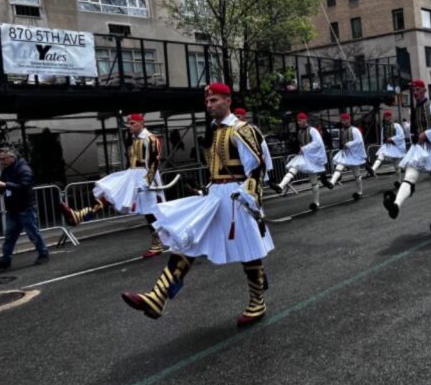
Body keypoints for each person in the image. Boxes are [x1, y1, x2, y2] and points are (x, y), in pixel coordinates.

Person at [121, 82, 274, 325]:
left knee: (249, 251)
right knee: (188, 238)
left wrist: (250, 197)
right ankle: (157, 296)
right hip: (215, 195)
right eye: (207, 101)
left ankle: (258, 301)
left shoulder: (242, 129)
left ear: (227, 101)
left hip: (237, 196)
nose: (209, 105)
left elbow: (256, 167)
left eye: (214, 100)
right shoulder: (213, 131)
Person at [61, 113, 165, 259]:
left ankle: (159, 243)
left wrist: (147, 182)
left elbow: (154, 162)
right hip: (132, 176)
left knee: (151, 213)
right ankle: (80, 215)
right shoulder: (134, 140)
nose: (129, 126)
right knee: (110, 193)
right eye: (129, 124)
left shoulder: (151, 139)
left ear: (142, 123)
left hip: (145, 178)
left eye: (133, 123)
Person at [382, 79, 431, 234]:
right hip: (419, 149)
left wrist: (426, 134)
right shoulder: (414, 110)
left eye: (417, 90)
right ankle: (396, 205)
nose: (415, 93)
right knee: (409, 177)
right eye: (413, 90)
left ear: (424, 90)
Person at [0, 148, 49, 269]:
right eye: (0, 159)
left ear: (12, 157)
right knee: (9, 235)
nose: (1, 162)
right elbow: (3, 189)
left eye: (3, 159)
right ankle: (6, 259)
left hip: (26, 207)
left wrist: (5, 185)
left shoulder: (24, 169)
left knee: (33, 233)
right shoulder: (7, 170)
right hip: (13, 209)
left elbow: (24, 186)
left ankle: (43, 254)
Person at [270, 112, 333, 210]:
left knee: (314, 182)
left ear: (305, 120)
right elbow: (300, 144)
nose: (298, 122)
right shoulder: (299, 132)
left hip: (312, 158)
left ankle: (316, 203)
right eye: (298, 120)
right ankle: (280, 186)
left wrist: (304, 148)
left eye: (300, 120)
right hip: (304, 157)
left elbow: (318, 143)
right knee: (293, 168)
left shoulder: (312, 130)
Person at [329, 113, 369, 200]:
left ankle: (360, 192)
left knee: (357, 175)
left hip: (353, 154)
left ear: (349, 120)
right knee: (339, 166)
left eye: (345, 120)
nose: (343, 122)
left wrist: (348, 144)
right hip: (345, 153)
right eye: (342, 120)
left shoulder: (354, 130)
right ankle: (332, 182)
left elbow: (359, 141)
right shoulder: (342, 130)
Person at [368, 110, 406, 189]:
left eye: (388, 116)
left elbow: (401, 136)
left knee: (397, 166)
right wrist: (382, 146)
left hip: (395, 147)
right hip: (387, 146)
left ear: (390, 117)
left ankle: (399, 181)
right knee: (380, 156)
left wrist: (392, 139)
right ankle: (372, 169)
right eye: (385, 116)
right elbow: (382, 138)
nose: (387, 118)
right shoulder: (383, 127)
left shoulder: (396, 125)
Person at [234, 108, 273, 183]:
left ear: (244, 117)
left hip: (253, 159)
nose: (236, 119)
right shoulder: (233, 130)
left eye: (238, 117)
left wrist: (262, 157)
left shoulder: (252, 128)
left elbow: (262, 144)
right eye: (235, 117)